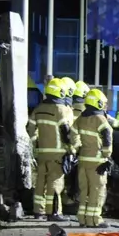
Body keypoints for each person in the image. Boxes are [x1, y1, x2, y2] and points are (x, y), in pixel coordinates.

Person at [26, 78, 72, 221]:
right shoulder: (61, 109)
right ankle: (53, 213)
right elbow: (66, 131)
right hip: (57, 153)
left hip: (42, 153)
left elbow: (31, 128)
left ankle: (38, 211)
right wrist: (71, 149)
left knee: (41, 181)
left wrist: (36, 145)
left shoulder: (39, 108)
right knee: (55, 182)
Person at [70, 89, 113, 227]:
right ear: (98, 103)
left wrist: (77, 148)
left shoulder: (80, 118)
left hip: (83, 160)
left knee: (84, 190)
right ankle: (95, 220)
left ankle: (82, 219)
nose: (105, 106)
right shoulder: (100, 119)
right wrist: (107, 156)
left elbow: (72, 135)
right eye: (104, 103)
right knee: (97, 190)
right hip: (97, 161)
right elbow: (107, 136)